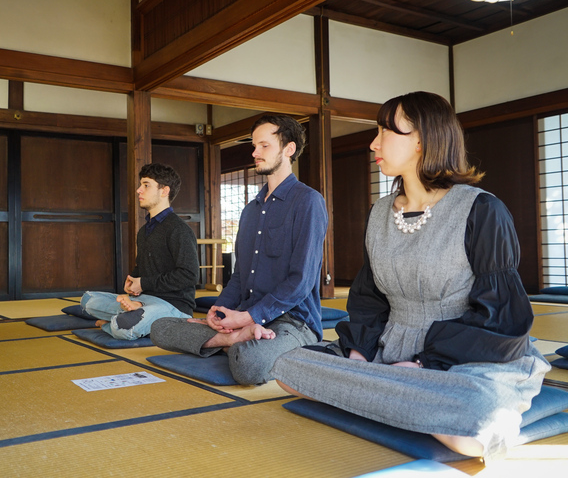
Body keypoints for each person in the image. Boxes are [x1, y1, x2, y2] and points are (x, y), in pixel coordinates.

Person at [272, 91, 549, 460]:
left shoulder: (482, 210)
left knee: (473, 416)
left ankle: (380, 392)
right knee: (289, 366)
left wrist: (422, 363)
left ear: (421, 139)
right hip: (387, 348)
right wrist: (358, 352)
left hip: (462, 358)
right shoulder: (381, 212)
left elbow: (503, 317)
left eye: (385, 131)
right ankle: (394, 393)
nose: (374, 142)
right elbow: (368, 299)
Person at [151, 114, 328, 385]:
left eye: (264, 146)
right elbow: (239, 276)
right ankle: (231, 340)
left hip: (291, 322)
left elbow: (301, 281)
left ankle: (230, 344)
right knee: (159, 328)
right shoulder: (250, 210)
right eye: (254, 146)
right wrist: (220, 312)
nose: (255, 152)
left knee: (249, 365)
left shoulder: (308, 202)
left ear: (288, 149)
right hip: (244, 318)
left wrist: (248, 317)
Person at [79, 163, 199, 340]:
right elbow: (141, 269)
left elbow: (189, 275)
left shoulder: (179, 230)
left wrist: (143, 284)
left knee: (123, 327)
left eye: (146, 185)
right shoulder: (144, 231)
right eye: (140, 185)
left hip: (172, 306)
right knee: (87, 300)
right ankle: (134, 313)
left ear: (164, 191)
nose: (138, 190)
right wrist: (132, 286)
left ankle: (112, 323)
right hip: (144, 300)